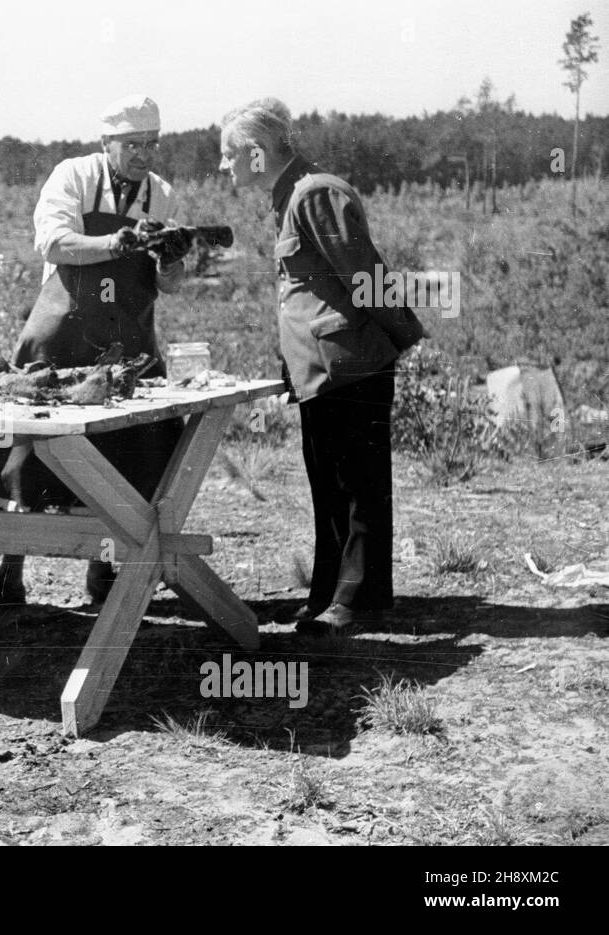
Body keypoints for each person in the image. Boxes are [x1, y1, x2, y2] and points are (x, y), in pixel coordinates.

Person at [0, 94, 192, 608]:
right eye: (132, 145)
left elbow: (171, 285)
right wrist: (118, 244)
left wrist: (170, 262)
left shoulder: (162, 195)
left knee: (126, 459)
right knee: (25, 458)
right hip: (60, 334)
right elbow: (54, 244)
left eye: (151, 144)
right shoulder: (72, 175)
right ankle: (9, 576)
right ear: (106, 143)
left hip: (129, 342)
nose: (143, 155)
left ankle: (106, 574)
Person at [218, 99, 423, 634]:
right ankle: (339, 593)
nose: (223, 166)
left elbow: (365, 274)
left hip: (349, 367)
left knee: (357, 486)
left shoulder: (315, 193)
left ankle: (350, 601)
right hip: (321, 370)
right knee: (331, 488)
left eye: (228, 155)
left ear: (256, 154)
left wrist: (404, 336)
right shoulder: (289, 196)